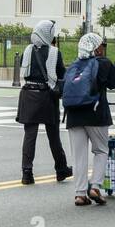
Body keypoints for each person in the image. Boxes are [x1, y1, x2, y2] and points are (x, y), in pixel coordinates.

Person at [65, 33, 115, 207]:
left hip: (73, 115)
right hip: (96, 114)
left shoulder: (74, 65)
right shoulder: (104, 63)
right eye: (102, 45)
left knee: (78, 156)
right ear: (96, 47)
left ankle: (80, 194)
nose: (104, 48)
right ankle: (95, 186)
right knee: (101, 150)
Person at [15, 19, 72, 186]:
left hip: (28, 94)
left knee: (29, 135)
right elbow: (62, 75)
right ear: (49, 34)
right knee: (53, 135)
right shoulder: (54, 52)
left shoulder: (27, 50)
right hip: (47, 96)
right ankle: (61, 169)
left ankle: (27, 173)